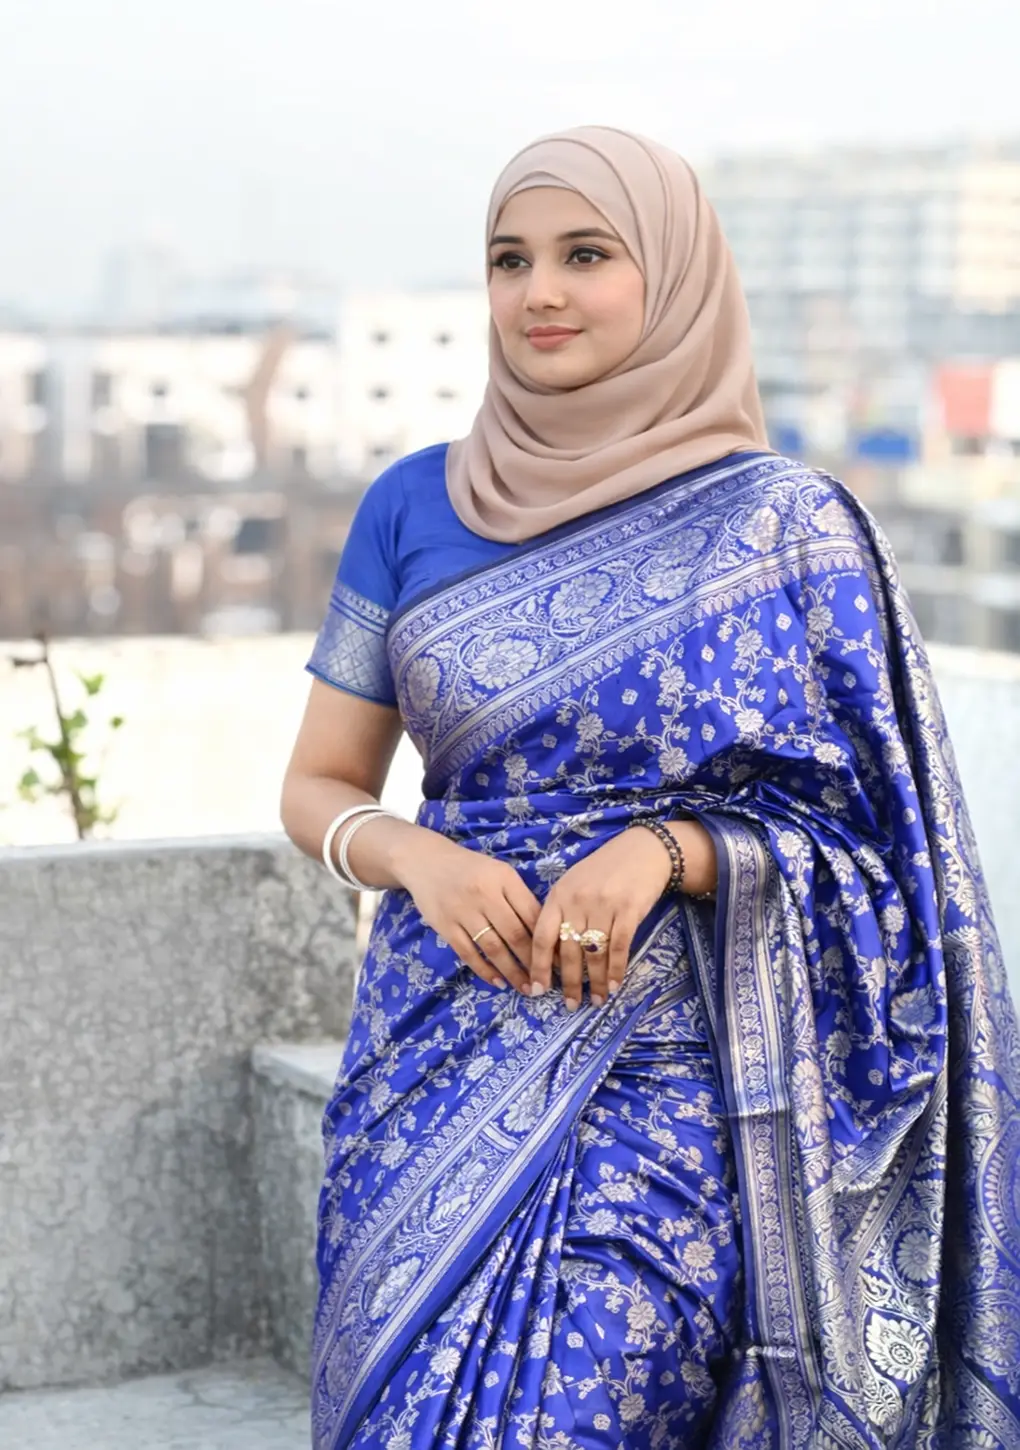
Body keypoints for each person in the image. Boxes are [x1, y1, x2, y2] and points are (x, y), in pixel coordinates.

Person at [281, 127, 1020, 1449]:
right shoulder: (409, 506)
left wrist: (670, 849)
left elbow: (881, 847)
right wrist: (415, 856)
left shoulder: (783, 526)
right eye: (509, 259)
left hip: (672, 1087)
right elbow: (320, 782)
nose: (540, 292)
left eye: (586, 255)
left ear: (675, 276)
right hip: (428, 1059)